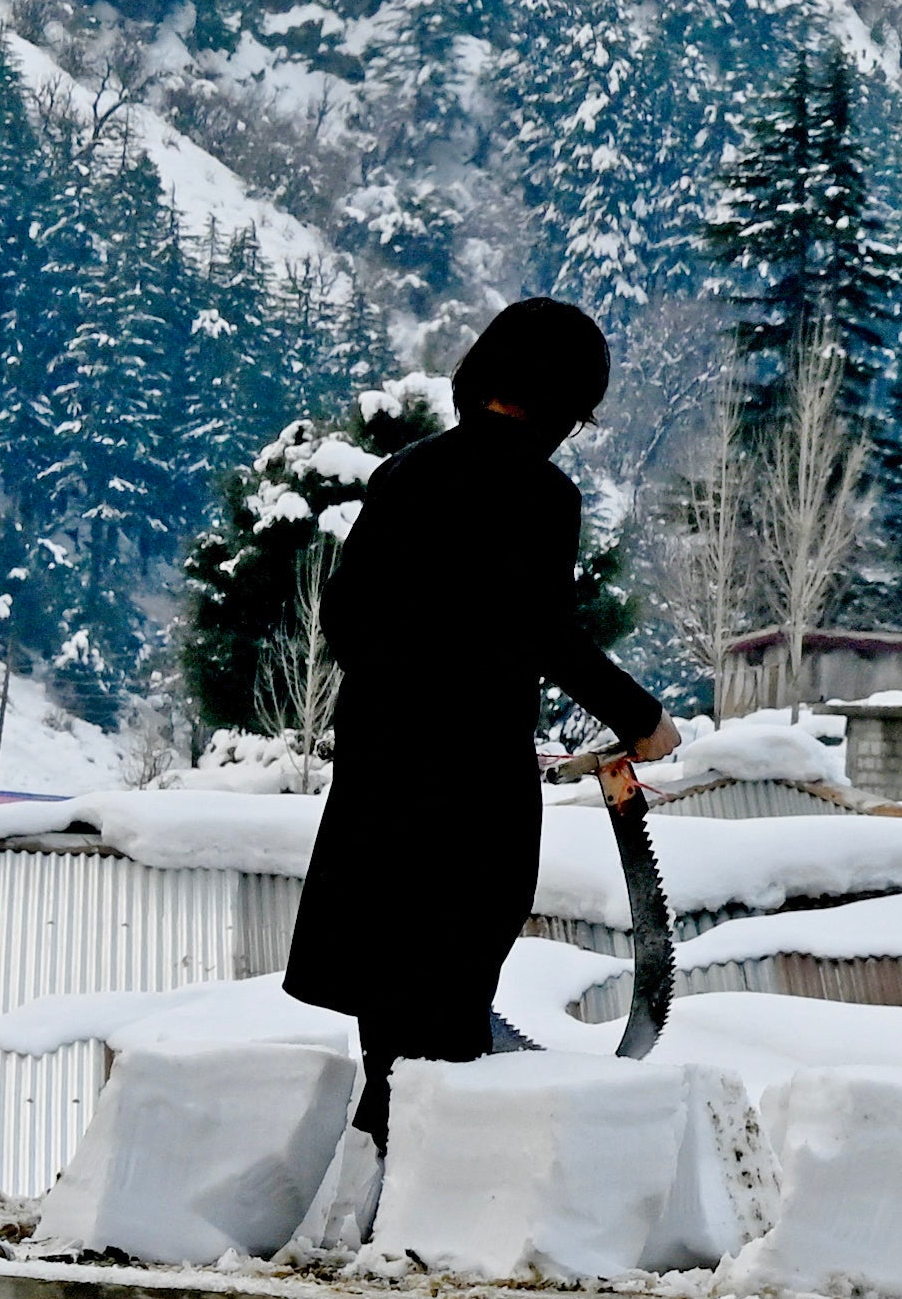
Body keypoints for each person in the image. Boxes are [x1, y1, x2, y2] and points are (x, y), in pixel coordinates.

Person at [283, 300, 677, 1146]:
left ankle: (373, 1181)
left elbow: (344, 623)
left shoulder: (404, 474)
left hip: (380, 776)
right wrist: (641, 719)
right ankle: (429, 1200)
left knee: (387, 1012)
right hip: (472, 786)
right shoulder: (540, 494)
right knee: (453, 1005)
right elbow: (547, 634)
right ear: (567, 406)